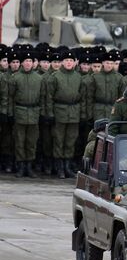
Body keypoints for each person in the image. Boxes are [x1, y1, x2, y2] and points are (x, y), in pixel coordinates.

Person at [46, 50, 87, 179]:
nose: (69, 63)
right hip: (59, 111)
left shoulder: (78, 77)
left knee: (71, 140)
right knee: (59, 140)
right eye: (66, 60)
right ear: (62, 62)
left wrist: (82, 115)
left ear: (74, 62)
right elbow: (49, 97)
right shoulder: (55, 77)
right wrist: (50, 114)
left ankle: (67, 166)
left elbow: (83, 98)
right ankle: (59, 167)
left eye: (71, 60)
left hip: (74, 112)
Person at [4, 51, 43, 178]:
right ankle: (20, 166)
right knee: (19, 141)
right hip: (19, 112)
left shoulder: (38, 78)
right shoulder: (15, 78)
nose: (28, 63)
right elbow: (10, 97)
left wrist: (42, 113)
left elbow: (43, 97)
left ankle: (29, 166)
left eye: (30, 61)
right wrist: (9, 113)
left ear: (33, 63)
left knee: (31, 142)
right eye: (26, 61)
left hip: (34, 113)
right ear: (22, 63)